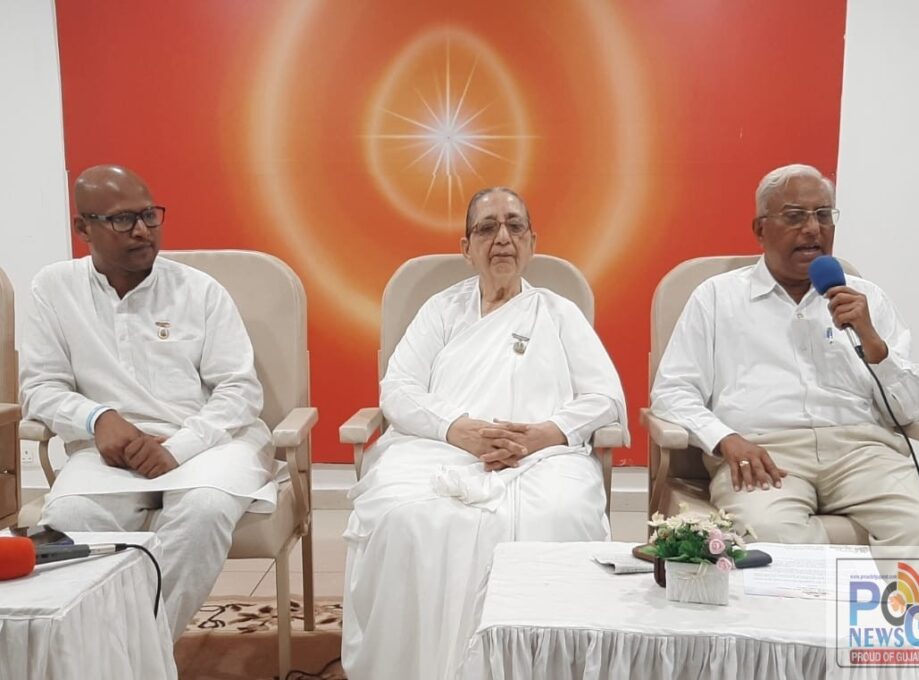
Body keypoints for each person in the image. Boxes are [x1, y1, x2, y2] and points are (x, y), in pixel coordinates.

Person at [341, 187, 629, 680]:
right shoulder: (440, 311)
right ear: (467, 247)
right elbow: (398, 389)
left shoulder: (559, 313)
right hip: (438, 449)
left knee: (557, 514)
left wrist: (543, 434)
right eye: (487, 228)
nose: (502, 239)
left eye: (515, 226)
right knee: (403, 516)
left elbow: (604, 397)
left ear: (532, 242)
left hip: (542, 457)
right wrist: (458, 429)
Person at [19, 165, 277, 638]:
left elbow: (239, 391)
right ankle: (118, 651)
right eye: (123, 220)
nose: (142, 230)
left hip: (209, 445)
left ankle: (139, 656)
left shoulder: (199, 290)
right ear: (83, 229)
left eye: (149, 215)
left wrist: (178, 447)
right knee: (70, 517)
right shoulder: (53, 288)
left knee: (203, 509)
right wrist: (97, 417)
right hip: (109, 452)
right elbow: (40, 387)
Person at [650, 163, 919, 547]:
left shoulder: (865, 298)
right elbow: (673, 392)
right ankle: (818, 592)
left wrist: (873, 342)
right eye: (795, 216)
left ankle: (891, 593)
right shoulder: (716, 297)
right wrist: (726, 438)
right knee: (771, 534)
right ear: (760, 229)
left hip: (863, 453)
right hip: (764, 453)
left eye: (823, 215)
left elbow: (912, 408)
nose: (813, 228)